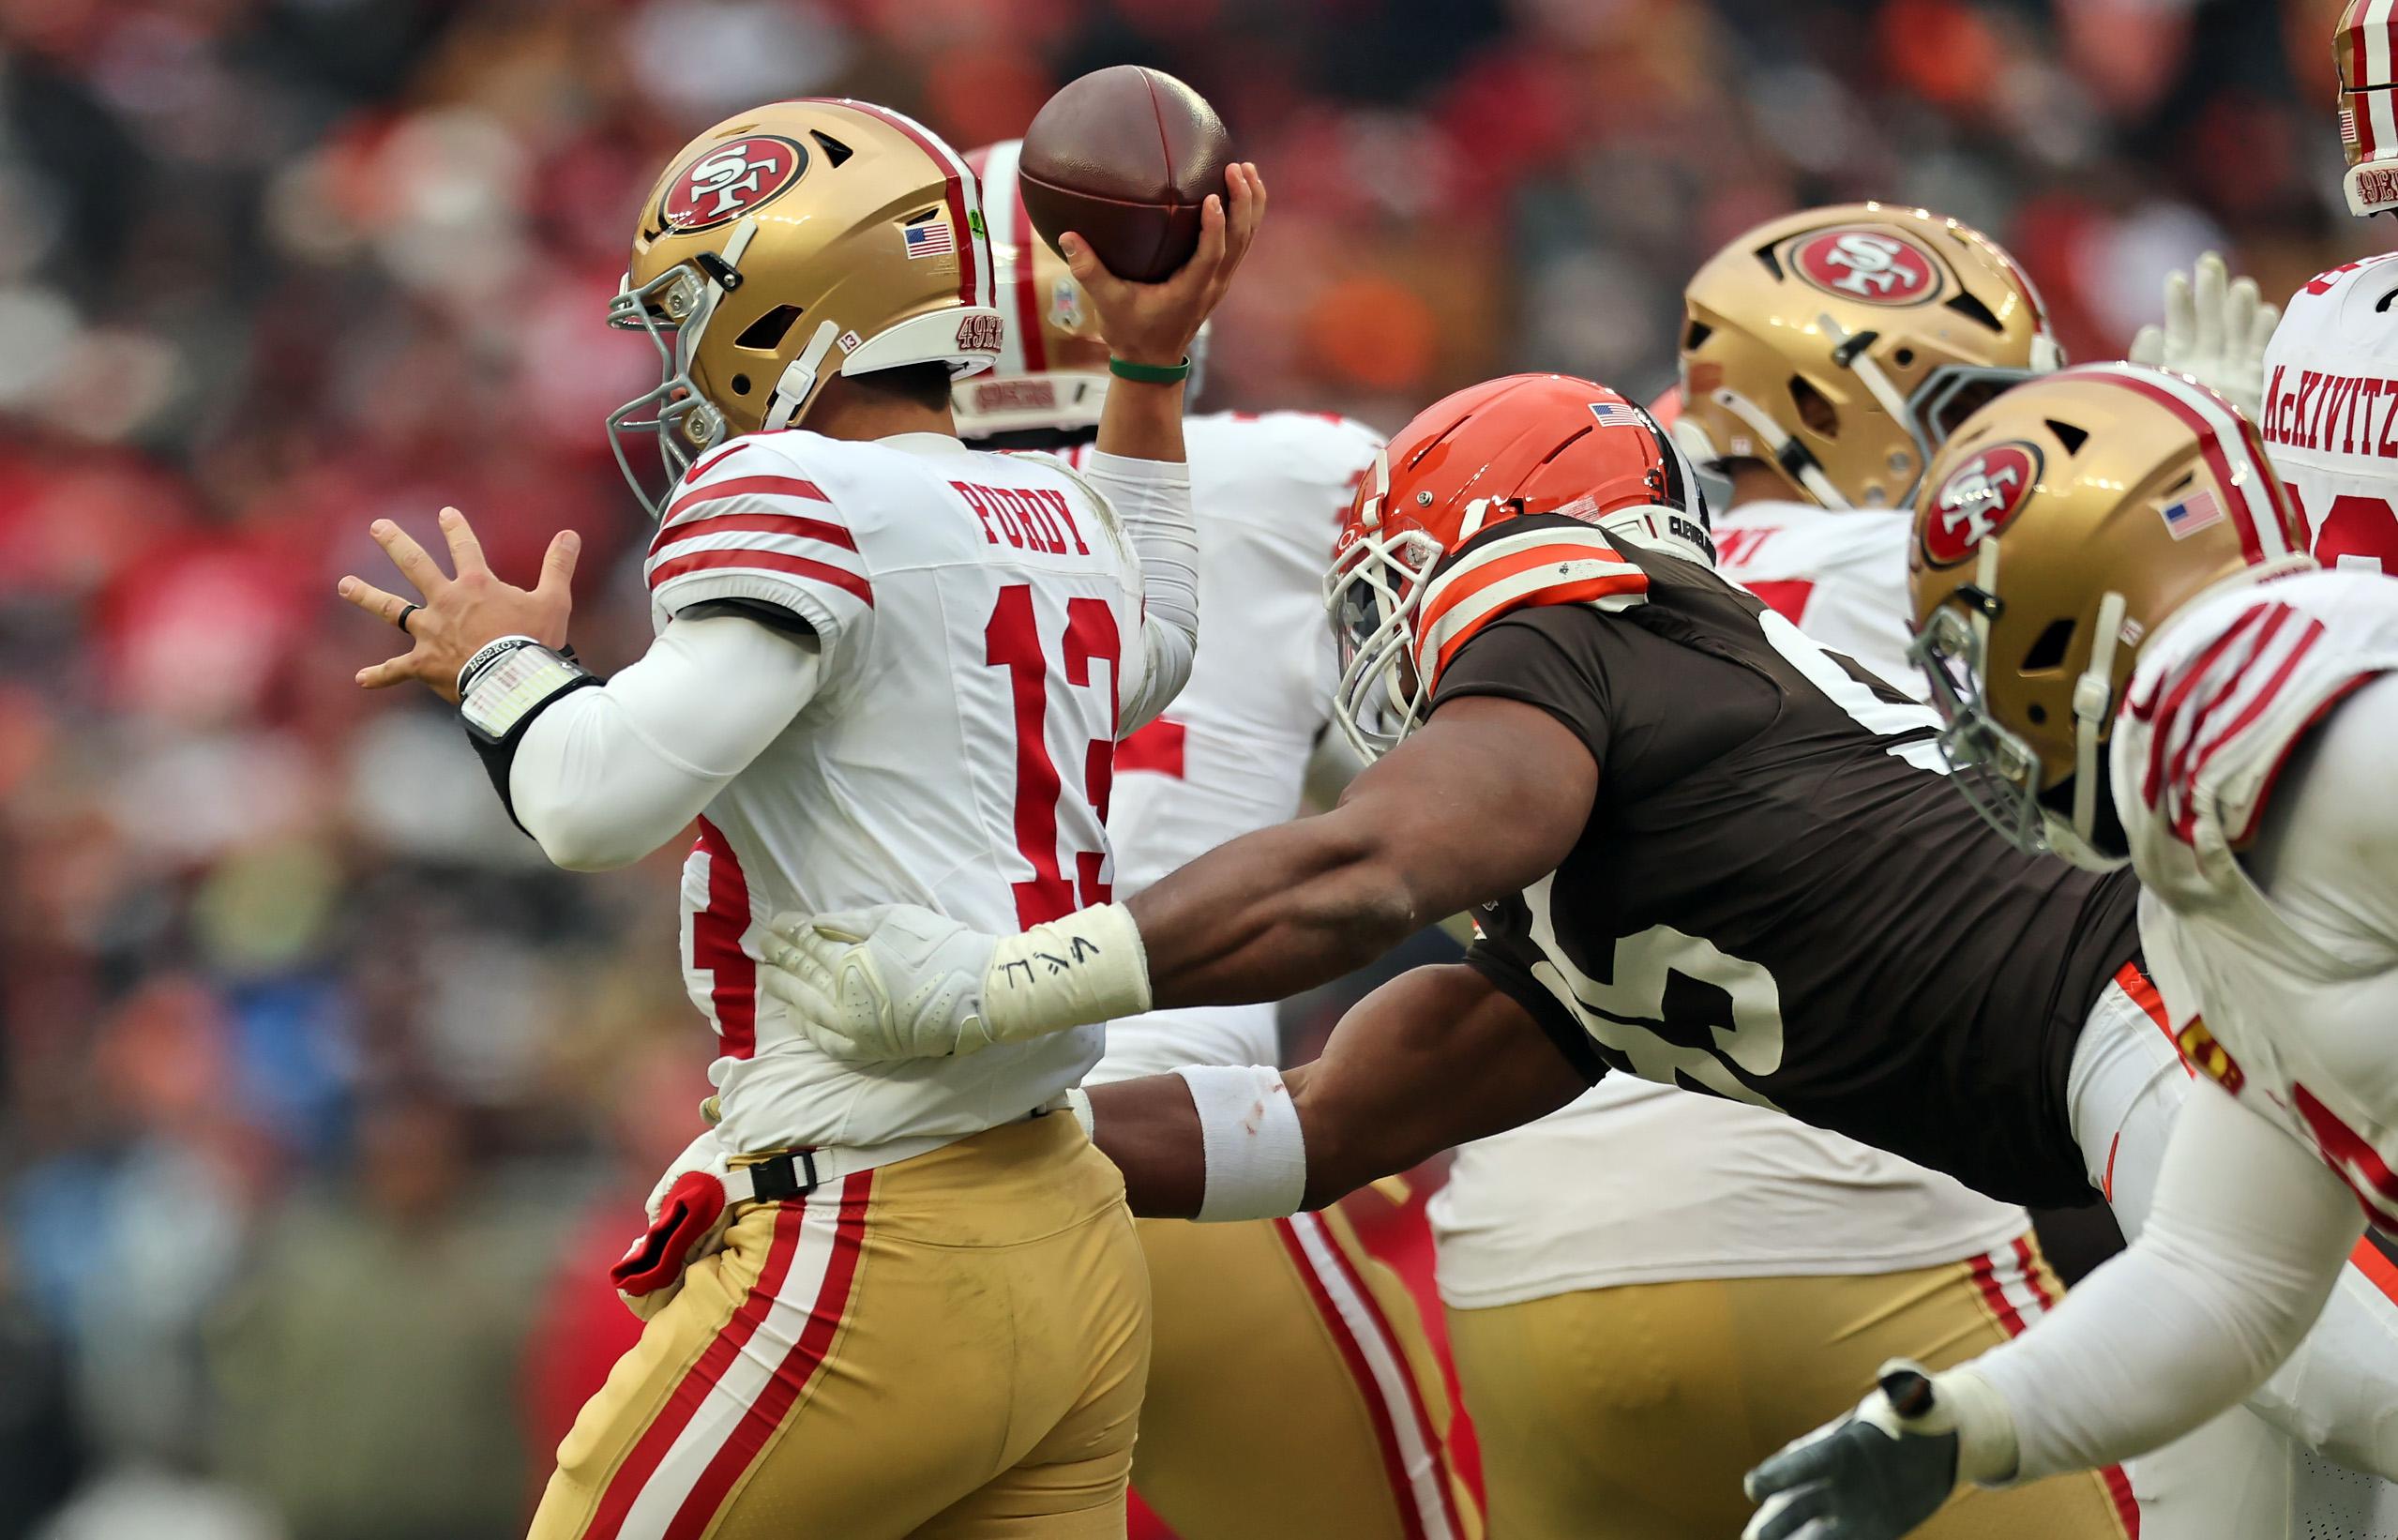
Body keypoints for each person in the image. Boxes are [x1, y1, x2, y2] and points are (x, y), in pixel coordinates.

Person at [759, 366, 2398, 1532]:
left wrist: (999, 985)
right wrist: (917, 1139)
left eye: (1388, 585)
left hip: (2151, 1018)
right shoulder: (1598, 887)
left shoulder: (1573, 618)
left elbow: (1365, 868)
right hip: (2127, 1098)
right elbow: (1310, 1126)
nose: (1378, 637)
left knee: (2346, 1390)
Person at [337, 96, 1263, 1540]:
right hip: (1068, 1233)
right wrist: (1146, 371)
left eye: (691, 309)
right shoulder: (1055, 510)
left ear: (785, 295)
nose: (678, 360)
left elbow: (589, 803)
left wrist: (498, 663)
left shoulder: (794, 484)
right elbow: (1163, 637)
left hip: (873, 1230)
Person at [1425, 206, 2135, 1540]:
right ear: (1819, 401)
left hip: (1526, 1252)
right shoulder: (1940, 567)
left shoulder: (1552, 613)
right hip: (1862, 1232)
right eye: (1971, 407)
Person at [1740, 359, 2398, 1539]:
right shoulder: (2199, 873)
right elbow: (2221, 1277)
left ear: (2062, 634)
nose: (1967, 714)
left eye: (1969, 654)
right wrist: (1967, 1421)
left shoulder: (2281, 722)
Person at [953, 139, 1477, 1540]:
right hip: (1171, 1147)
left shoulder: (821, 523)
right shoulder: (1288, 480)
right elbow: (1460, 794)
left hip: (881, 1182)